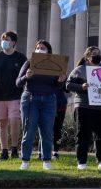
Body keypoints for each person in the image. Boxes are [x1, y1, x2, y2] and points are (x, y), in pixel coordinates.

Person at [66, 46, 101, 170]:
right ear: (87, 57)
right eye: (94, 53)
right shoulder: (79, 70)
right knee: (83, 135)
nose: (97, 55)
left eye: (99, 53)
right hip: (84, 106)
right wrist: (82, 87)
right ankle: (82, 162)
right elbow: (68, 85)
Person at [15, 40, 66, 170]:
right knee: (29, 131)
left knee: (47, 132)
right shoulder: (28, 63)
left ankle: (46, 160)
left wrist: (60, 81)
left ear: (48, 51)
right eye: (37, 48)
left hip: (49, 100)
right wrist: (26, 76)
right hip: (31, 99)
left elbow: (57, 86)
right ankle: (25, 160)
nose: (39, 50)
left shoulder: (54, 65)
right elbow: (18, 83)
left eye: (42, 48)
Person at [0, 31, 28, 161]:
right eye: (3, 39)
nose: (4, 42)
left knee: (14, 121)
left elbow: (24, 77)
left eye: (7, 39)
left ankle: (14, 149)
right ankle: (4, 151)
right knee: (2, 123)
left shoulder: (21, 58)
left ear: (13, 42)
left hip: (15, 95)